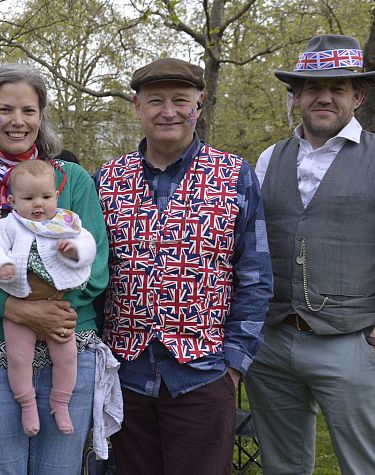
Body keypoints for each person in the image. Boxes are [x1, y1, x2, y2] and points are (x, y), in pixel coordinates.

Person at [244, 34, 375, 474]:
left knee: (367, 468)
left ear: (358, 95)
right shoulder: (270, 158)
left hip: (351, 344)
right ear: (296, 96)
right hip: (272, 344)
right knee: (282, 468)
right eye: (313, 87)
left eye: (337, 87)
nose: (324, 97)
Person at [96, 57, 271, 475]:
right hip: (126, 375)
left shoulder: (234, 175)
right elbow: (93, 276)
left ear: (200, 104)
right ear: (137, 107)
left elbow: (256, 277)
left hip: (202, 375)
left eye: (180, 100)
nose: (168, 111)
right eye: (156, 100)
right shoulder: (107, 178)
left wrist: (233, 365)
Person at [0, 63, 109, 474]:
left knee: (61, 469)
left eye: (29, 110)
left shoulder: (72, 180)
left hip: (68, 336)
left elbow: (97, 263)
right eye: (6, 110)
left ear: (41, 116)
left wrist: (48, 306)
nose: (18, 121)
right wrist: (19, 308)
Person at [0, 158, 97, 436]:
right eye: (28, 198)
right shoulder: (8, 225)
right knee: (19, 358)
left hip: (57, 304)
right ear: (11, 199)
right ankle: (27, 404)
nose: (38, 204)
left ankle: (61, 403)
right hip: (20, 302)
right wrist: (1, 268)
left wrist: (74, 252)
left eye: (46, 197)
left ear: (57, 195)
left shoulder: (66, 222)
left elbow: (89, 244)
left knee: (67, 357)